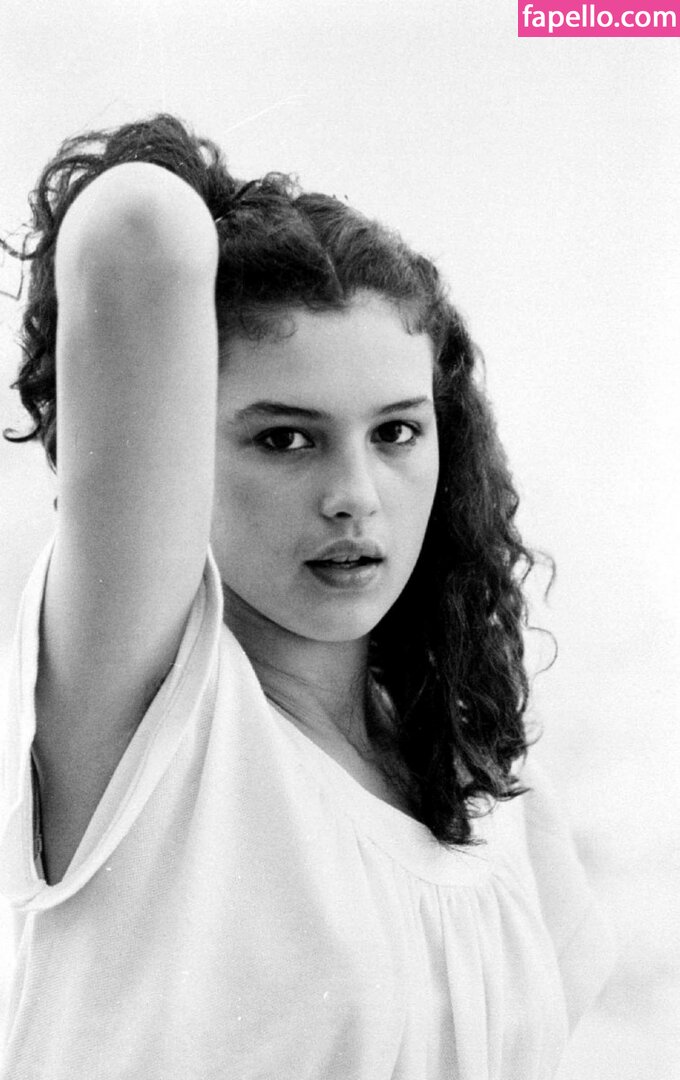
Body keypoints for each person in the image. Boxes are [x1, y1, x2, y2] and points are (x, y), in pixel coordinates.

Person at [0, 114, 613, 1079]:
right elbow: (137, 228)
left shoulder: (481, 780)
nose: (354, 496)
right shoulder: (150, 720)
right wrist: (220, 202)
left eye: (396, 432)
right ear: (177, 443)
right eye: (285, 438)